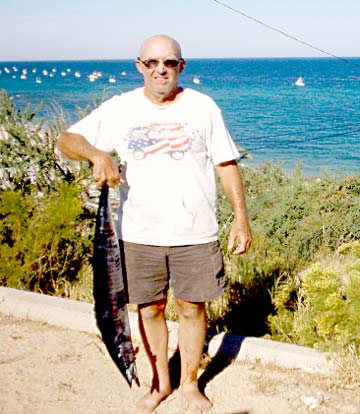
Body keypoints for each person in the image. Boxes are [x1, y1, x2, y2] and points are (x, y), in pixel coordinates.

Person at [56, 34, 252, 414]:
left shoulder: (203, 107)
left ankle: (190, 383)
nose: (160, 69)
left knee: (192, 308)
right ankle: (160, 382)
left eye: (169, 62)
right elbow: (67, 139)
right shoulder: (121, 108)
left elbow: (226, 164)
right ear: (139, 66)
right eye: (152, 62)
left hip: (195, 231)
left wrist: (241, 219)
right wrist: (97, 154)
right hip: (138, 233)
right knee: (149, 309)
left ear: (182, 66)